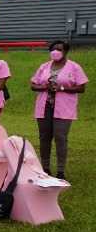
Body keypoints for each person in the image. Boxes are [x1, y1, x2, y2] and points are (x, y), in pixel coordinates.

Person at [29, 40, 88, 179]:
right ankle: (45, 168)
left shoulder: (74, 67)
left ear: (66, 51)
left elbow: (81, 87)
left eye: (59, 49)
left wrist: (62, 88)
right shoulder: (44, 67)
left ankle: (61, 171)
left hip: (64, 108)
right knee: (44, 138)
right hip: (44, 107)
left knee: (60, 138)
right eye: (53, 49)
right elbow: (33, 85)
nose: (55, 52)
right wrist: (45, 87)